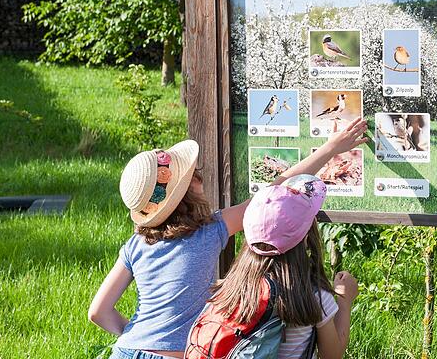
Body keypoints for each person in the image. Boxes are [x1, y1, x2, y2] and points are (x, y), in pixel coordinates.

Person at [88, 118, 368, 359]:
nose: (201, 176)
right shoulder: (208, 232)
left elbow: (98, 312)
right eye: (195, 176)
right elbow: (272, 195)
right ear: (186, 194)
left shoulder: (136, 244)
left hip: (125, 349)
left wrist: (140, 339)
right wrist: (331, 148)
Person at [205, 174, 358, 359]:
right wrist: (344, 300)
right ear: (306, 236)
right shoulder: (313, 295)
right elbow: (332, 355)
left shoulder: (232, 287)